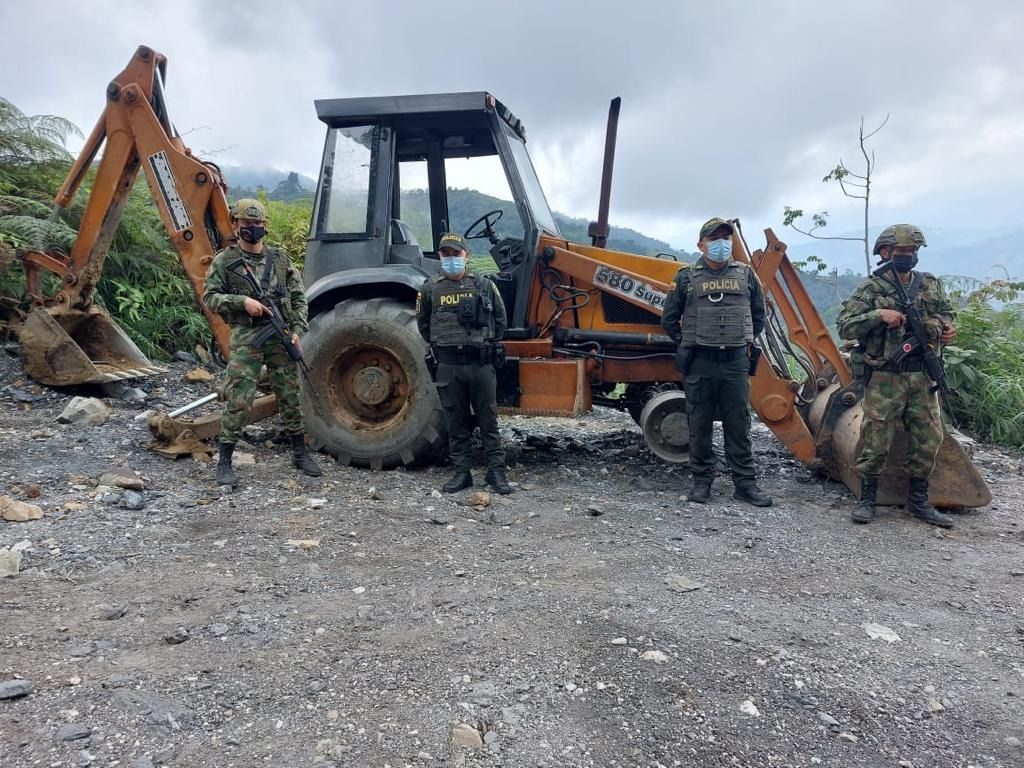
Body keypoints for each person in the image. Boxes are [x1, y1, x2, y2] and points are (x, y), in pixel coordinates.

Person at [836, 224, 957, 527]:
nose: (908, 256)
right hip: (885, 375)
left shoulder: (929, 284)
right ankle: (867, 499)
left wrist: (945, 327)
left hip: (921, 376)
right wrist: (878, 316)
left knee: (929, 438)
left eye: (912, 251)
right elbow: (846, 326)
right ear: (885, 253)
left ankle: (918, 500)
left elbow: (947, 313)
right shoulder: (871, 288)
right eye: (902, 251)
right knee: (875, 438)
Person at [202, 198, 322, 487]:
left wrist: (296, 330)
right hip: (247, 336)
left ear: (265, 225)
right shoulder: (225, 261)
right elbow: (209, 297)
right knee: (239, 397)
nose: (253, 228)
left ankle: (299, 452)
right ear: (236, 225)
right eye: (247, 224)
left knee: (290, 394)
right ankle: (225, 460)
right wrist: (242, 301)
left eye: (258, 224)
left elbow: (298, 298)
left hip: (279, 336)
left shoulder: (279, 259)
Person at [661, 217, 772, 507]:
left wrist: (741, 339)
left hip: (735, 361)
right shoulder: (685, 277)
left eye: (726, 238)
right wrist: (689, 340)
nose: (722, 243)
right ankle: (702, 481)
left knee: (739, 423)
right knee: (699, 422)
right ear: (701, 244)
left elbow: (758, 315)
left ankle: (745, 484)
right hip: (700, 362)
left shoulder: (747, 275)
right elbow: (669, 319)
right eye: (715, 238)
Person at [416, 232, 512, 494]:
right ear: (440, 256)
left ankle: (496, 472)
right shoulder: (429, 288)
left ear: (465, 255)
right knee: (455, 421)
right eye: (446, 254)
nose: (451, 259)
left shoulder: (483, 284)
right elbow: (423, 324)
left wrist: (485, 342)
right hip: (448, 365)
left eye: (456, 254)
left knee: (488, 419)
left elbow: (501, 320)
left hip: (480, 364)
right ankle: (462, 473)